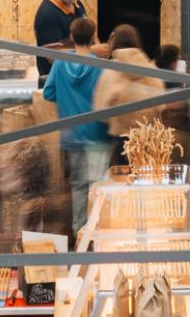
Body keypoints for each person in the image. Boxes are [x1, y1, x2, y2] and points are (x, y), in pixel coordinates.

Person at [41, 16, 109, 230]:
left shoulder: (60, 63)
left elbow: (48, 93)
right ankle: (96, 233)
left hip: (72, 135)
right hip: (98, 134)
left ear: (71, 37)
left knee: (78, 186)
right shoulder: (100, 66)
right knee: (97, 185)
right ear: (93, 37)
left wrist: (65, 97)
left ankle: (80, 231)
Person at [93, 24, 163, 162]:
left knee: (120, 180)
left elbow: (100, 108)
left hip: (121, 140)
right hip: (148, 138)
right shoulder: (150, 68)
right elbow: (162, 103)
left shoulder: (110, 71)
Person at [33, 0, 87, 77]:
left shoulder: (77, 4)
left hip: (76, 75)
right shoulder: (48, 15)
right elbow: (53, 57)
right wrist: (92, 52)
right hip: (59, 81)